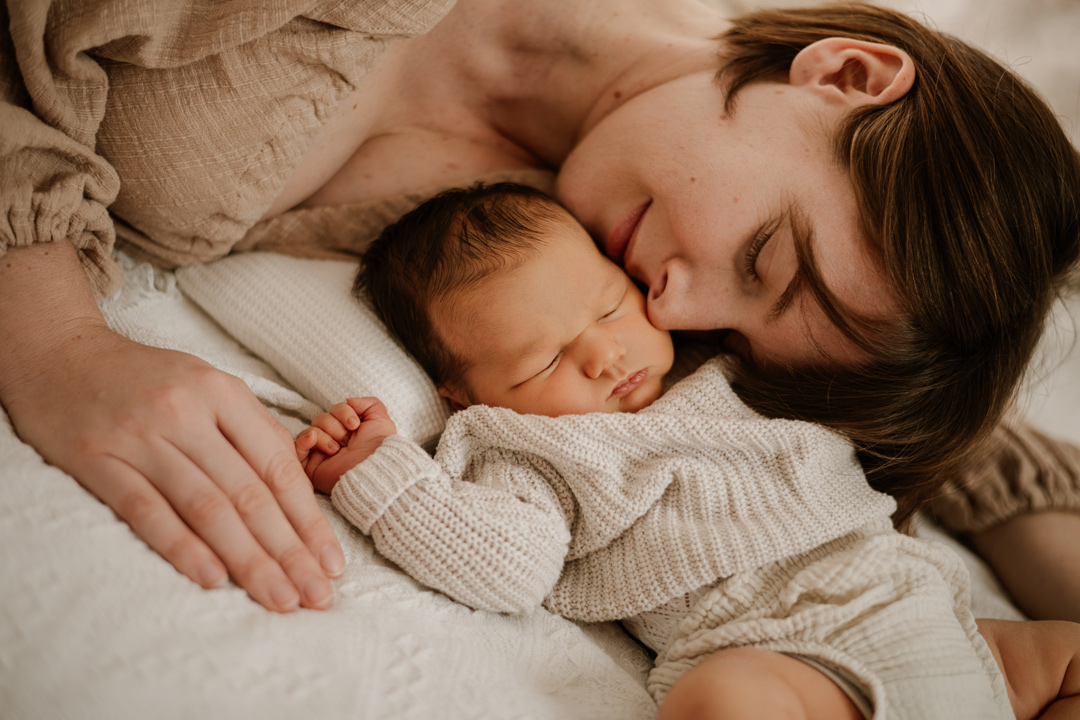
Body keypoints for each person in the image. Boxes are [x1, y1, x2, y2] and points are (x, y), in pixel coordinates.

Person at [1, 0, 1078, 615]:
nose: (677, 305)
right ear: (844, 70)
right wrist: (55, 339)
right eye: (763, 254)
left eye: (736, 331)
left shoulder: (630, 243)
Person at [293, 182, 1079, 719]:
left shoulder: (725, 358)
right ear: (461, 395)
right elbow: (509, 563)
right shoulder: (523, 448)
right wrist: (382, 476)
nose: (604, 355)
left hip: (933, 612)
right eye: (545, 360)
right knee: (721, 704)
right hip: (790, 653)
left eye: (609, 305)